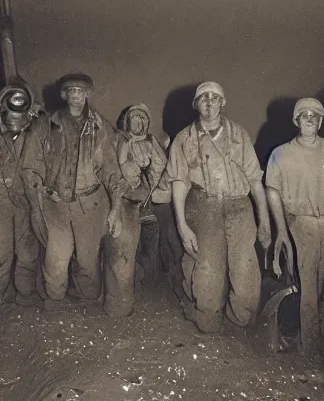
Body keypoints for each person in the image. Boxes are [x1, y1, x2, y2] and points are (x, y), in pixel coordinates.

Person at [265, 97, 324, 382]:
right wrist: (282, 232)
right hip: (302, 227)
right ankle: (309, 353)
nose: (309, 119)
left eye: (315, 116)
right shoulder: (280, 154)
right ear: (296, 120)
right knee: (307, 292)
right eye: (304, 115)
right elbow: (273, 193)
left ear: (322, 121)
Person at [166, 81, 271, 333]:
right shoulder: (184, 138)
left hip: (239, 208)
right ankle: (203, 314)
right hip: (204, 207)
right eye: (203, 98)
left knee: (245, 270)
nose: (210, 103)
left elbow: (255, 180)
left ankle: (240, 322)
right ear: (196, 104)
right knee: (207, 274)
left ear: (223, 103)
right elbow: (179, 184)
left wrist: (264, 218)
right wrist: (182, 226)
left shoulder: (239, 134)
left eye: (215, 98)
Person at [22, 73, 126, 314]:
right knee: (56, 256)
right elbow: (32, 166)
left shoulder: (100, 126)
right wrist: (39, 194)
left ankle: (88, 300)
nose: (76, 96)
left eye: (81, 91)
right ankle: (55, 300)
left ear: (87, 94)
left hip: (89, 204)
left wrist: (116, 208)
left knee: (87, 260)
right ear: (64, 95)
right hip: (56, 204)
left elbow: (111, 170)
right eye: (71, 91)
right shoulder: (46, 124)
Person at [116, 103, 169, 291]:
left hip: (149, 199)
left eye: (141, 120)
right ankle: (131, 279)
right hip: (127, 200)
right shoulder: (120, 141)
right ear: (127, 122)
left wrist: (152, 183)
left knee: (152, 238)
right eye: (133, 120)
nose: (137, 124)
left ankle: (149, 281)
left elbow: (161, 165)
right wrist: (134, 180)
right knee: (130, 242)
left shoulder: (152, 141)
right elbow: (120, 167)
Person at [0, 79, 43, 306]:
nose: (15, 123)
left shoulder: (33, 134)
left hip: (25, 199)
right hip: (1, 201)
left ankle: (25, 294)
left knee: (27, 249)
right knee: (2, 251)